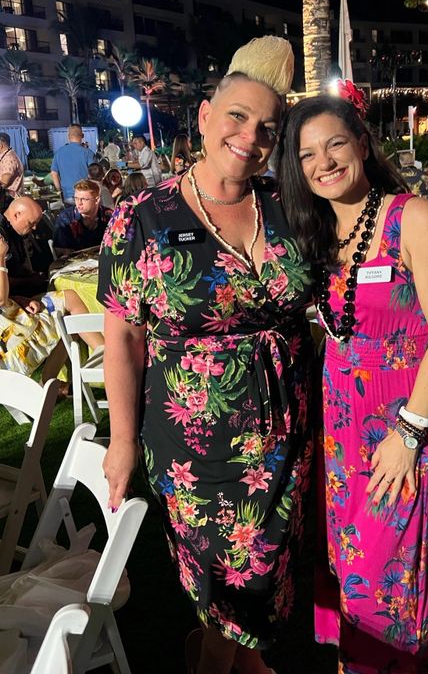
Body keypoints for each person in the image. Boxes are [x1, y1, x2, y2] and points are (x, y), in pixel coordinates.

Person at [98, 36, 315, 674]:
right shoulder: (142, 215)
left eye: (268, 128)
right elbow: (124, 336)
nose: (250, 136)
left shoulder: (288, 203)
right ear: (204, 117)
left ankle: (229, 658)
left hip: (285, 422)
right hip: (193, 436)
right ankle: (221, 663)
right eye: (238, 117)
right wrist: (120, 438)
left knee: (272, 560)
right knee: (225, 570)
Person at [277, 95, 428, 674]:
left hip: (397, 423)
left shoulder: (412, 216)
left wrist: (408, 433)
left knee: (390, 564)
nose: (323, 162)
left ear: (362, 143)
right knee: (347, 562)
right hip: (339, 428)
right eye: (307, 154)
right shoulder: (320, 232)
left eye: (335, 143)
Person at [0, 198, 103, 384]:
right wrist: (1, 259)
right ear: (16, 215)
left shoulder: (11, 232)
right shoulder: (1, 237)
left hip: (15, 303)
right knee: (66, 309)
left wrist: (22, 294)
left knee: (69, 310)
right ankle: (107, 360)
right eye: (31, 224)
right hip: (8, 328)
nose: (33, 229)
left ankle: (53, 382)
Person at [53, 179, 113, 256]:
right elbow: (61, 251)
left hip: (104, 259)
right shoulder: (66, 218)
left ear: (97, 200)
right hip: (74, 263)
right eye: (76, 198)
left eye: (84, 199)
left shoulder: (109, 216)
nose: (79, 203)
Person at [51, 124, 95, 204]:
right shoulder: (88, 153)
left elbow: (54, 173)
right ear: (82, 135)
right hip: (84, 195)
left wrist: (60, 189)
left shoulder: (59, 153)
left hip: (67, 195)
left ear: (68, 136)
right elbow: (94, 173)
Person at [0, 132, 24, 198]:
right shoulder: (6, 156)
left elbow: (3, 184)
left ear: (0, 145)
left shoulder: (9, 159)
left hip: (10, 201)